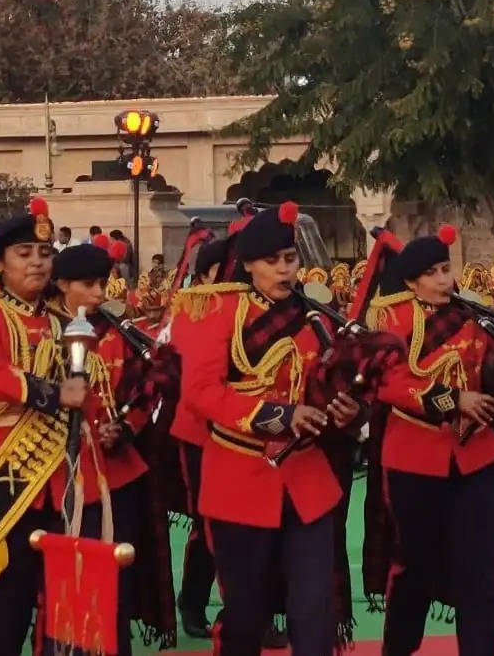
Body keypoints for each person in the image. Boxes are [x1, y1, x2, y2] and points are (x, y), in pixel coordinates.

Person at [177, 202, 359, 656]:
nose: (284, 270)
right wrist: (280, 417)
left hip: (306, 480)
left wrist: (348, 410)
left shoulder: (316, 317)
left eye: (290, 259)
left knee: (315, 608)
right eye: (272, 261)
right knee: (246, 614)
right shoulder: (218, 311)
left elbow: (329, 384)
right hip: (239, 478)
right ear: (250, 265)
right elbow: (201, 392)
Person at [360, 225, 494, 656]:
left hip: (476, 457)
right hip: (414, 460)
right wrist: (455, 399)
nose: (444, 279)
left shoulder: (472, 315)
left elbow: (491, 371)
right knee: (416, 569)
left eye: (446, 269)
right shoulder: (391, 318)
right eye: (433, 273)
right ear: (409, 281)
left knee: (482, 571)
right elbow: (390, 385)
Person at [0, 196, 101, 656]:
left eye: (44, 253)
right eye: (23, 254)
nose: (37, 262)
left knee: (63, 607)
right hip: (5, 473)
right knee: (4, 606)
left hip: (60, 476)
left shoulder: (63, 323)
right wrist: (54, 393)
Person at [50, 236, 178, 653]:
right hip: (57, 473)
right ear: (62, 286)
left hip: (117, 472)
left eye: (102, 282)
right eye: (88, 284)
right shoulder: (44, 329)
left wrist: (125, 427)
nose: (100, 293)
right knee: (67, 581)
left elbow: (147, 385)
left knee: (116, 578)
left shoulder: (119, 331)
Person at [164, 238, 229, 639]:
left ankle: (250, 611)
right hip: (202, 433)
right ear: (207, 274)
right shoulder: (192, 311)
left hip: (251, 433)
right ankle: (193, 601)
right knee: (211, 526)